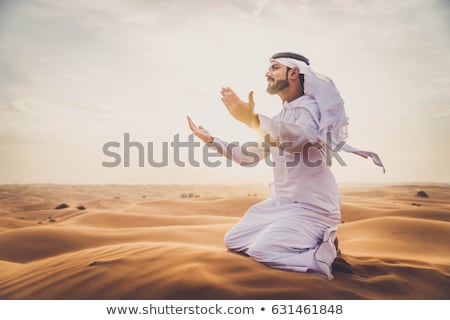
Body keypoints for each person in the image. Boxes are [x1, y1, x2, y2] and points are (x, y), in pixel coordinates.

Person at [187, 52, 384, 280]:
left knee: (262, 250)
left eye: (274, 68)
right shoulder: (280, 117)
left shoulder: (310, 109)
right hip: (282, 206)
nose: (267, 73)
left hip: (313, 208)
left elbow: (301, 138)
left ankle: (324, 253)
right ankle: (305, 241)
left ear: (293, 73)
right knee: (234, 240)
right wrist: (212, 140)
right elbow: (247, 157)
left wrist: (252, 120)